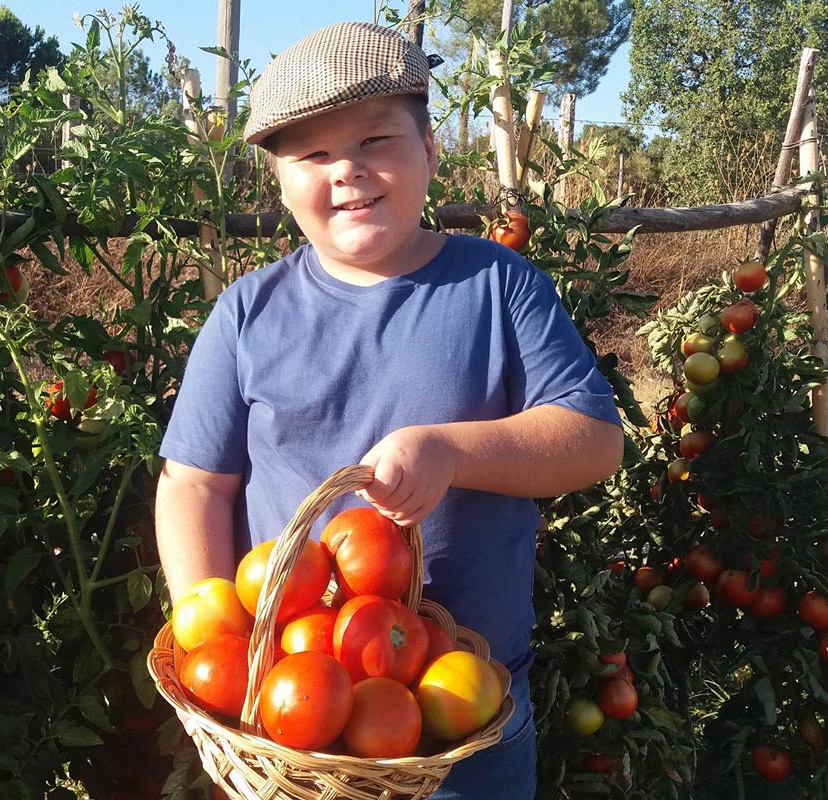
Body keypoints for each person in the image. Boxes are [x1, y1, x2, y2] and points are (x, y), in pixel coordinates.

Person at [155, 20, 624, 799]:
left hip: (467, 710)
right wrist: (220, 654)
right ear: (278, 186)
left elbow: (594, 439)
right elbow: (194, 485)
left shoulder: (500, 286)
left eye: (376, 140)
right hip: (298, 732)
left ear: (431, 152)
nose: (348, 172)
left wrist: (452, 450)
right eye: (312, 155)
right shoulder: (247, 313)